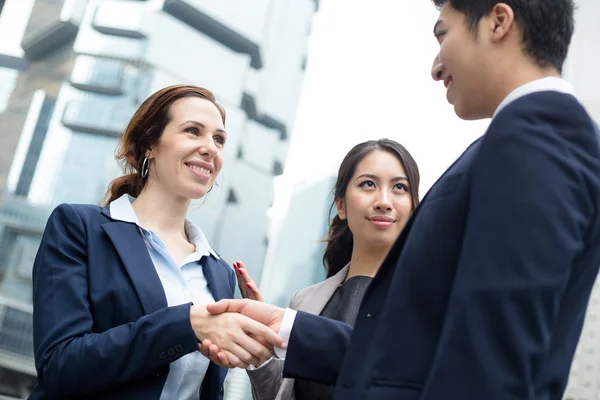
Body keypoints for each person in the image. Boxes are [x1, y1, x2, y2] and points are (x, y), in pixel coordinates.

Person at [202, 1, 600, 399]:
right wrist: (288, 327)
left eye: (443, 34)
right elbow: (421, 356)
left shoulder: (534, 142)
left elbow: (490, 363)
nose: (436, 67)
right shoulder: (529, 140)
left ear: (498, 22)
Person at [29, 85, 282, 400]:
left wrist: (255, 341)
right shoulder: (80, 228)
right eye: (193, 131)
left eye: (218, 139)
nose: (210, 148)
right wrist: (187, 324)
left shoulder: (219, 272)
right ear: (150, 144)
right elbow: (60, 366)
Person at [236, 139, 420, 400]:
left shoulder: (431, 302)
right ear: (341, 205)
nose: (384, 201)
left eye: (399, 187)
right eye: (369, 184)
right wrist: (263, 350)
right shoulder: (305, 300)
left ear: (413, 207)